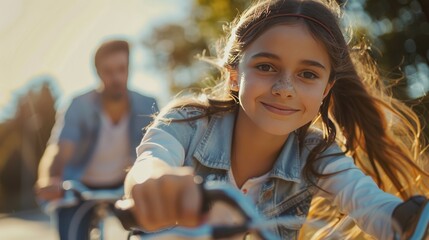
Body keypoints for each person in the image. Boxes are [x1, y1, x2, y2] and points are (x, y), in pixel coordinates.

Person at [124, 0, 429, 239]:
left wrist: (402, 219)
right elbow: (151, 160)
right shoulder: (186, 122)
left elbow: (367, 200)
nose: (284, 89)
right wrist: (154, 181)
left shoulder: (317, 154)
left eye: (307, 75)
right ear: (234, 75)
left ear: (326, 89)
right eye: (266, 67)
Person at [35, 39, 158, 240]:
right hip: (79, 188)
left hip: (125, 185)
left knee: (151, 231)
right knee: (71, 234)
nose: (116, 77)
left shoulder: (147, 104)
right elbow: (59, 149)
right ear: (98, 73)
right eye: (108, 71)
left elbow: (157, 148)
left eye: (122, 69)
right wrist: (50, 179)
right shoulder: (79, 105)